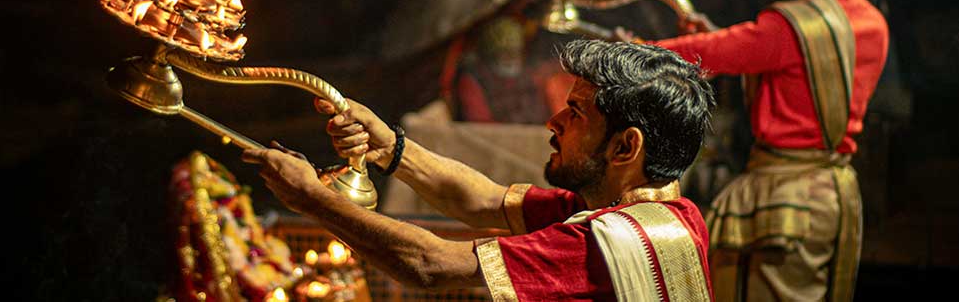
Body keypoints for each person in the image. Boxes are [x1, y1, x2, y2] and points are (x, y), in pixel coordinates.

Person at [242, 40, 716, 300]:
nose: (553, 122)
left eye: (575, 113)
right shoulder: (668, 213)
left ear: (625, 147)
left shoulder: (600, 244)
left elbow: (428, 264)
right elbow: (481, 199)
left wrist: (309, 198)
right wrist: (389, 146)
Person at [642, 0, 889, 302]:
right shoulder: (872, 23)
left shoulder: (796, 25)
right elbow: (787, 63)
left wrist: (638, 51)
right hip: (833, 194)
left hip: (785, 195)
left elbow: (720, 51)